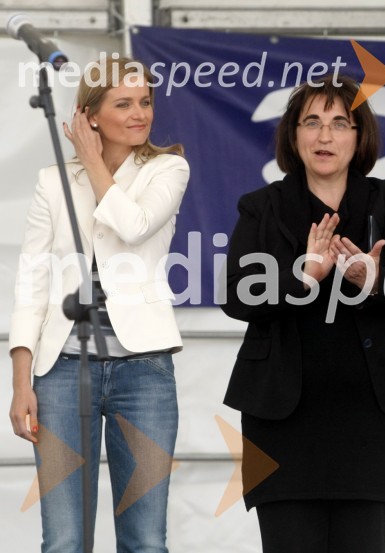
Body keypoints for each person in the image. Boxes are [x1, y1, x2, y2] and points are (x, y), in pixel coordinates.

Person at [221, 74, 385, 553]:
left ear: (359, 137)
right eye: (312, 122)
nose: (325, 136)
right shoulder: (261, 207)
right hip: (280, 420)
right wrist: (303, 277)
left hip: (370, 418)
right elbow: (237, 296)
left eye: (340, 123)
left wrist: (373, 281)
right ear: (293, 134)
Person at [8, 56, 189, 552]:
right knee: (64, 540)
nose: (140, 113)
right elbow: (32, 283)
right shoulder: (52, 181)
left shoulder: (168, 168)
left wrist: (92, 163)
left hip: (144, 370)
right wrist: (21, 383)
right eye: (124, 103)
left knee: (145, 540)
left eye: (145, 102)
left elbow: (134, 226)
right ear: (89, 114)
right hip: (62, 371)